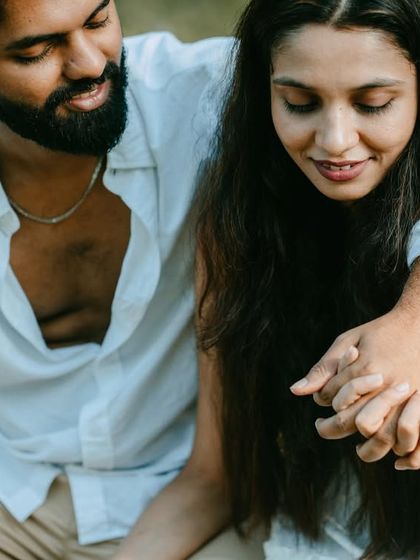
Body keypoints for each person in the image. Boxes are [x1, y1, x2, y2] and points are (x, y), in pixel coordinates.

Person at [0, 1, 269, 558]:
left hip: (199, 503)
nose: (89, 64)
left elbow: (383, 113)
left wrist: (408, 319)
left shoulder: (209, 95)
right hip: (12, 498)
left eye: (98, 21)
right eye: (37, 50)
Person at [196, 0, 420, 557]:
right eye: (299, 103)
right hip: (304, 535)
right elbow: (209, 481)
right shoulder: (241, 222)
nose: (336, 139)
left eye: (374, 104)